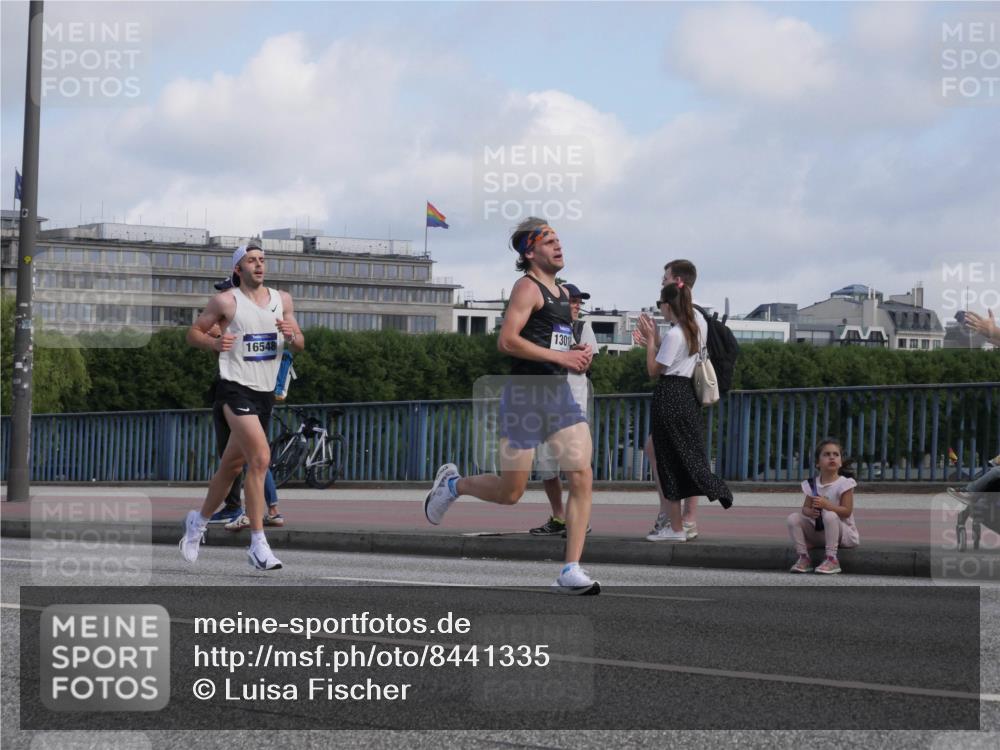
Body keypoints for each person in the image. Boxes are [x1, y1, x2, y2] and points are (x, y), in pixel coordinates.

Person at [423, 218, 599, 594]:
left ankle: (570, 569)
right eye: (548, 240)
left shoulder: (563, 291)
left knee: (582, 473)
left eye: (558, 239)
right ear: (529, 252)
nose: (558, 245)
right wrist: (562, 356)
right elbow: (507, 341)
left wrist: (575, 353)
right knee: (511, 493)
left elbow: (551, 343)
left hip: (559, 396)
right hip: (524, 396)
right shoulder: (527, 287)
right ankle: (453, 485)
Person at [179, 240, 304, 570]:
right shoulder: (225, 301)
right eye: (252, 260)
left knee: (231, 466)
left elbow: (300, 342)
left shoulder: (283, 301)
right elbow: (193, 333)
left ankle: (198, 521)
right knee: (260, 458)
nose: (259, 265)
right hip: (234, 390)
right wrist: (214, 342)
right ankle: (258, 544)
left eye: (262, 260)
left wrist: (292, 335)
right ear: (238, 268)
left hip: (264, 395)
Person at [634, 282, 732, 542]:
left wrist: (651, 342)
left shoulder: (676, 333)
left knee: (668, 462)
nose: (660, 311)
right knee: (682, 457)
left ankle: (678, 526)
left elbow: (655, 370)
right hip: (687, 395)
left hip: (670, 395)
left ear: (667, 305)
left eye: (660, 305)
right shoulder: (696, 328)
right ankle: (678, 526)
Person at [529, 282, 598, 537]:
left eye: (580, 301)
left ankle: (579, 520)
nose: (577, 305)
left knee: (576, 467)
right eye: (573, 301)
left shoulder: (582, 328)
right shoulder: (544, 328)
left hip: (573, 408)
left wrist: (561, 353)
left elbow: (582, 365)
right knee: (547, 467)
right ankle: (559, 517)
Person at [786, 438, 859, 574]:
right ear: (818, 463)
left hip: (843, 535)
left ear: (840, 462)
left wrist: (827, 505)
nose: (832, 457)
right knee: (793, 518)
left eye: (836, 454)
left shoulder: (845, 484)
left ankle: (832, 559)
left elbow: (847, 512)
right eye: (826, 454)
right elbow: (805, 508)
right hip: (820, 533)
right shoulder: (812, 484)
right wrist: (809, 513)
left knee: (830, 515)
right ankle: (803, 557)